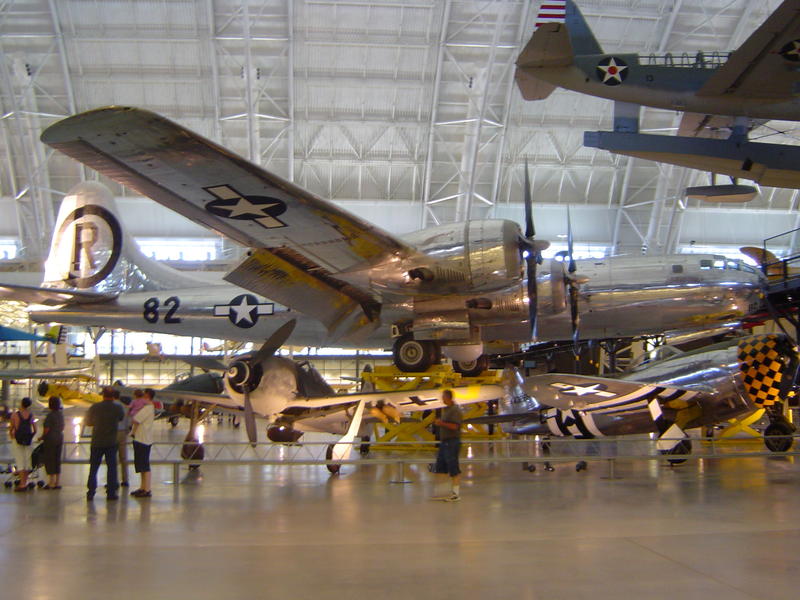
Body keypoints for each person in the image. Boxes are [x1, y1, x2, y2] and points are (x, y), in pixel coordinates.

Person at [85, 387, 125, 501]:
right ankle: (111, 492)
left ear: (103, 395)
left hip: (97, 441)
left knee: (93, 468)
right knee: (112, 468)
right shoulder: (118, 408)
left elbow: (88, 422)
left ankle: (91, 492)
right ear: (113, 396)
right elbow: (121, 418)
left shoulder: (95, 407)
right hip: (111, 441)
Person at [431, 389, 463, 502]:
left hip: (452, 442)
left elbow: (455, 426)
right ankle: (442, 492)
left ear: (448, 397)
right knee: (441, 466)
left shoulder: (455, 410)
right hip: (445, 442)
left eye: (443, 397)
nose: (442, 399)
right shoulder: (447, 410)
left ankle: (455, 494)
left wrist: (441, 423)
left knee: (453, 467)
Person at [130, 388, 156, 498]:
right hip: (141, 438)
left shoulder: (147, 408)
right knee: (141, 465)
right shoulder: (148, 408)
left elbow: (136, 419)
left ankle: (147, 489)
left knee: (144, 465)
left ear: (147, 396)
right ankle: (142, 487)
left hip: (142, 439)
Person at [8, 397, 36, 492]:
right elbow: (35, 430)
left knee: (20, 461)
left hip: (17, 440)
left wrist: (12, 436)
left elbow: (11, 429)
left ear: (21, 404)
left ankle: (22, 484)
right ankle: (26, 481)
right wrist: (31, 436)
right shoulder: (31, 415)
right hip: (28, 441)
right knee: (27, 461)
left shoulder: (15, 415)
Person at [39, 396, 65, 489]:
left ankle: (51, 482)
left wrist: (42, 437)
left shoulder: (50, 415)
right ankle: (57, 482)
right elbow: (62, 427)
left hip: (50, 439)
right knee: (57, 459)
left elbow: (47, 429)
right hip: (59, 437)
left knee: (50, 459)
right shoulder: (60, 414)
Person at [112, 389, 131, 488]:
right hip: (123, 432)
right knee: (123, 457)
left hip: (112, 432)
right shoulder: (124, 407)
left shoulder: (111, 407)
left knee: (112, 457)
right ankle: (125, 480)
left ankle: (113, 480)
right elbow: (128, 421)